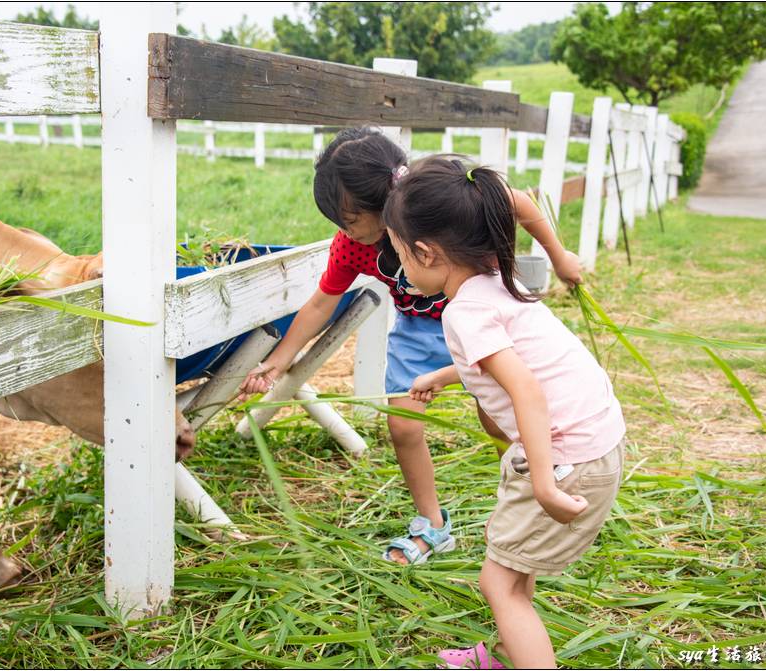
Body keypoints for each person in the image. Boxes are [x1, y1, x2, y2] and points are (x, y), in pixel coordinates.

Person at [239, 128, 583, 565]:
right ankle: (433, 524)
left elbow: (519, 202)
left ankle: (529, 493)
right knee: (402, 425)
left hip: (484, 321)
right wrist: (279, 360)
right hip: (420, 329)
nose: (343, 232)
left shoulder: (437, 200)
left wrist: (558, 256)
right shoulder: (352, 247)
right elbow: (322, 301)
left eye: (347, 220)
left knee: (499, 420)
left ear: (382, 202)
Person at [382, 155, 626, 669]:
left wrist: (542, 484)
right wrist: (442, 376)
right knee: (513, 569)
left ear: (426, 253)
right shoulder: (496, 277)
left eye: (400, 254)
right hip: (594, 437)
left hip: (565, 458)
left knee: (498, 585)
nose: (400, 267)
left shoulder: (466, 312)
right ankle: (506, 651)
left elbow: (527, 391)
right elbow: (507, 359)